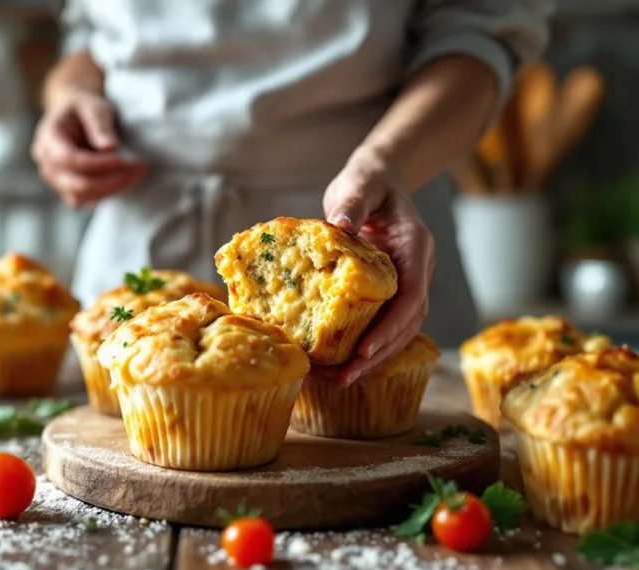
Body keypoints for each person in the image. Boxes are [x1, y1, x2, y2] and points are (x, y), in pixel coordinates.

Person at [32, 1, 552, 386]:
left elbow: (481, 34)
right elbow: (87, 36)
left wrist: (386, 164)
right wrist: (69, 96)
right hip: (136, 237)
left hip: (369, 216)